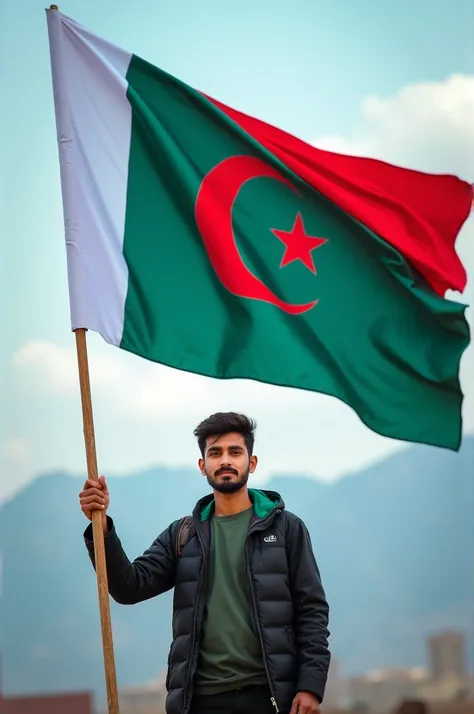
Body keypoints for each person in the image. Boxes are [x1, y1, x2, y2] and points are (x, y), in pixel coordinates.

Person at [79, 412, 331, 714]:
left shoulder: (286, 529)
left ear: (251, 463)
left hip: (271, 695)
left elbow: (312, 611)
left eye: (235, 452)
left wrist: (310, 685)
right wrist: (101, 526)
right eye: (215, 453)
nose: (225, 460)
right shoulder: (183, 535)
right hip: (199, 700)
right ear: (203, 466)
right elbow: (129, 587)